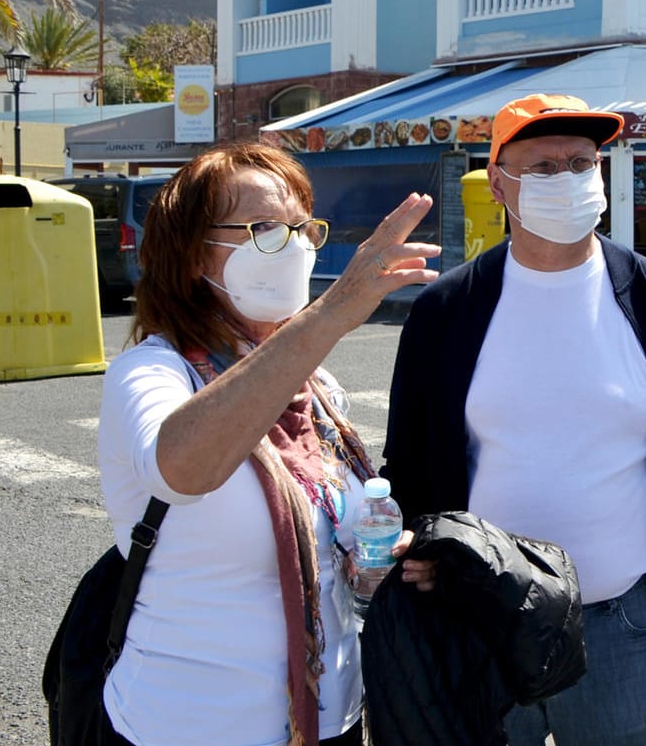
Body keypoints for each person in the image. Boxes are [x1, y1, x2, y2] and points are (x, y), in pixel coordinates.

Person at [383, 94, 646, 744]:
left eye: (581, 163)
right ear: (498, 183)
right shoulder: (446, 312)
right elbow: (406, 467)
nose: (567, 179)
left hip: (624, 628)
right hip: (481, 624)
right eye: (543, 168)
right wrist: (418, 549)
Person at [97, 142, 440, 745]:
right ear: (189, 252)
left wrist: (382, 549)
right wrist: (331, 314)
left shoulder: (317, 386)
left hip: (332, 718)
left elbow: (328, 529)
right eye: (263, 228)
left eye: (302, 227)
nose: (296, 245)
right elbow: (181, 469)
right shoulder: (152, 372)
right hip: (192, 725)